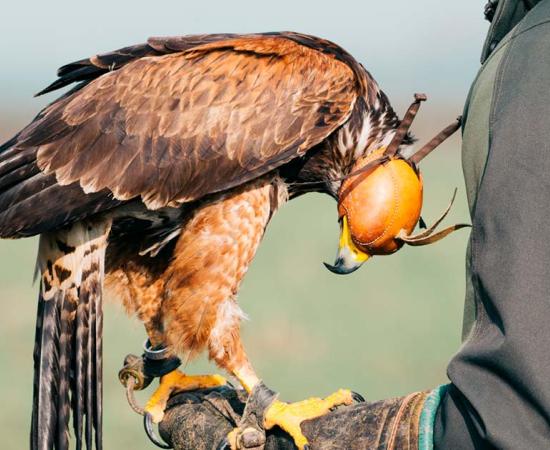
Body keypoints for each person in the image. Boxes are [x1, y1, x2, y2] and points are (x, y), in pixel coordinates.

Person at [136, 1, 550, 448]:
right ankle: (169, 362)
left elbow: (515, 410)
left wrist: (294, 435)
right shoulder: (524, 44)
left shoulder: (533, 51)